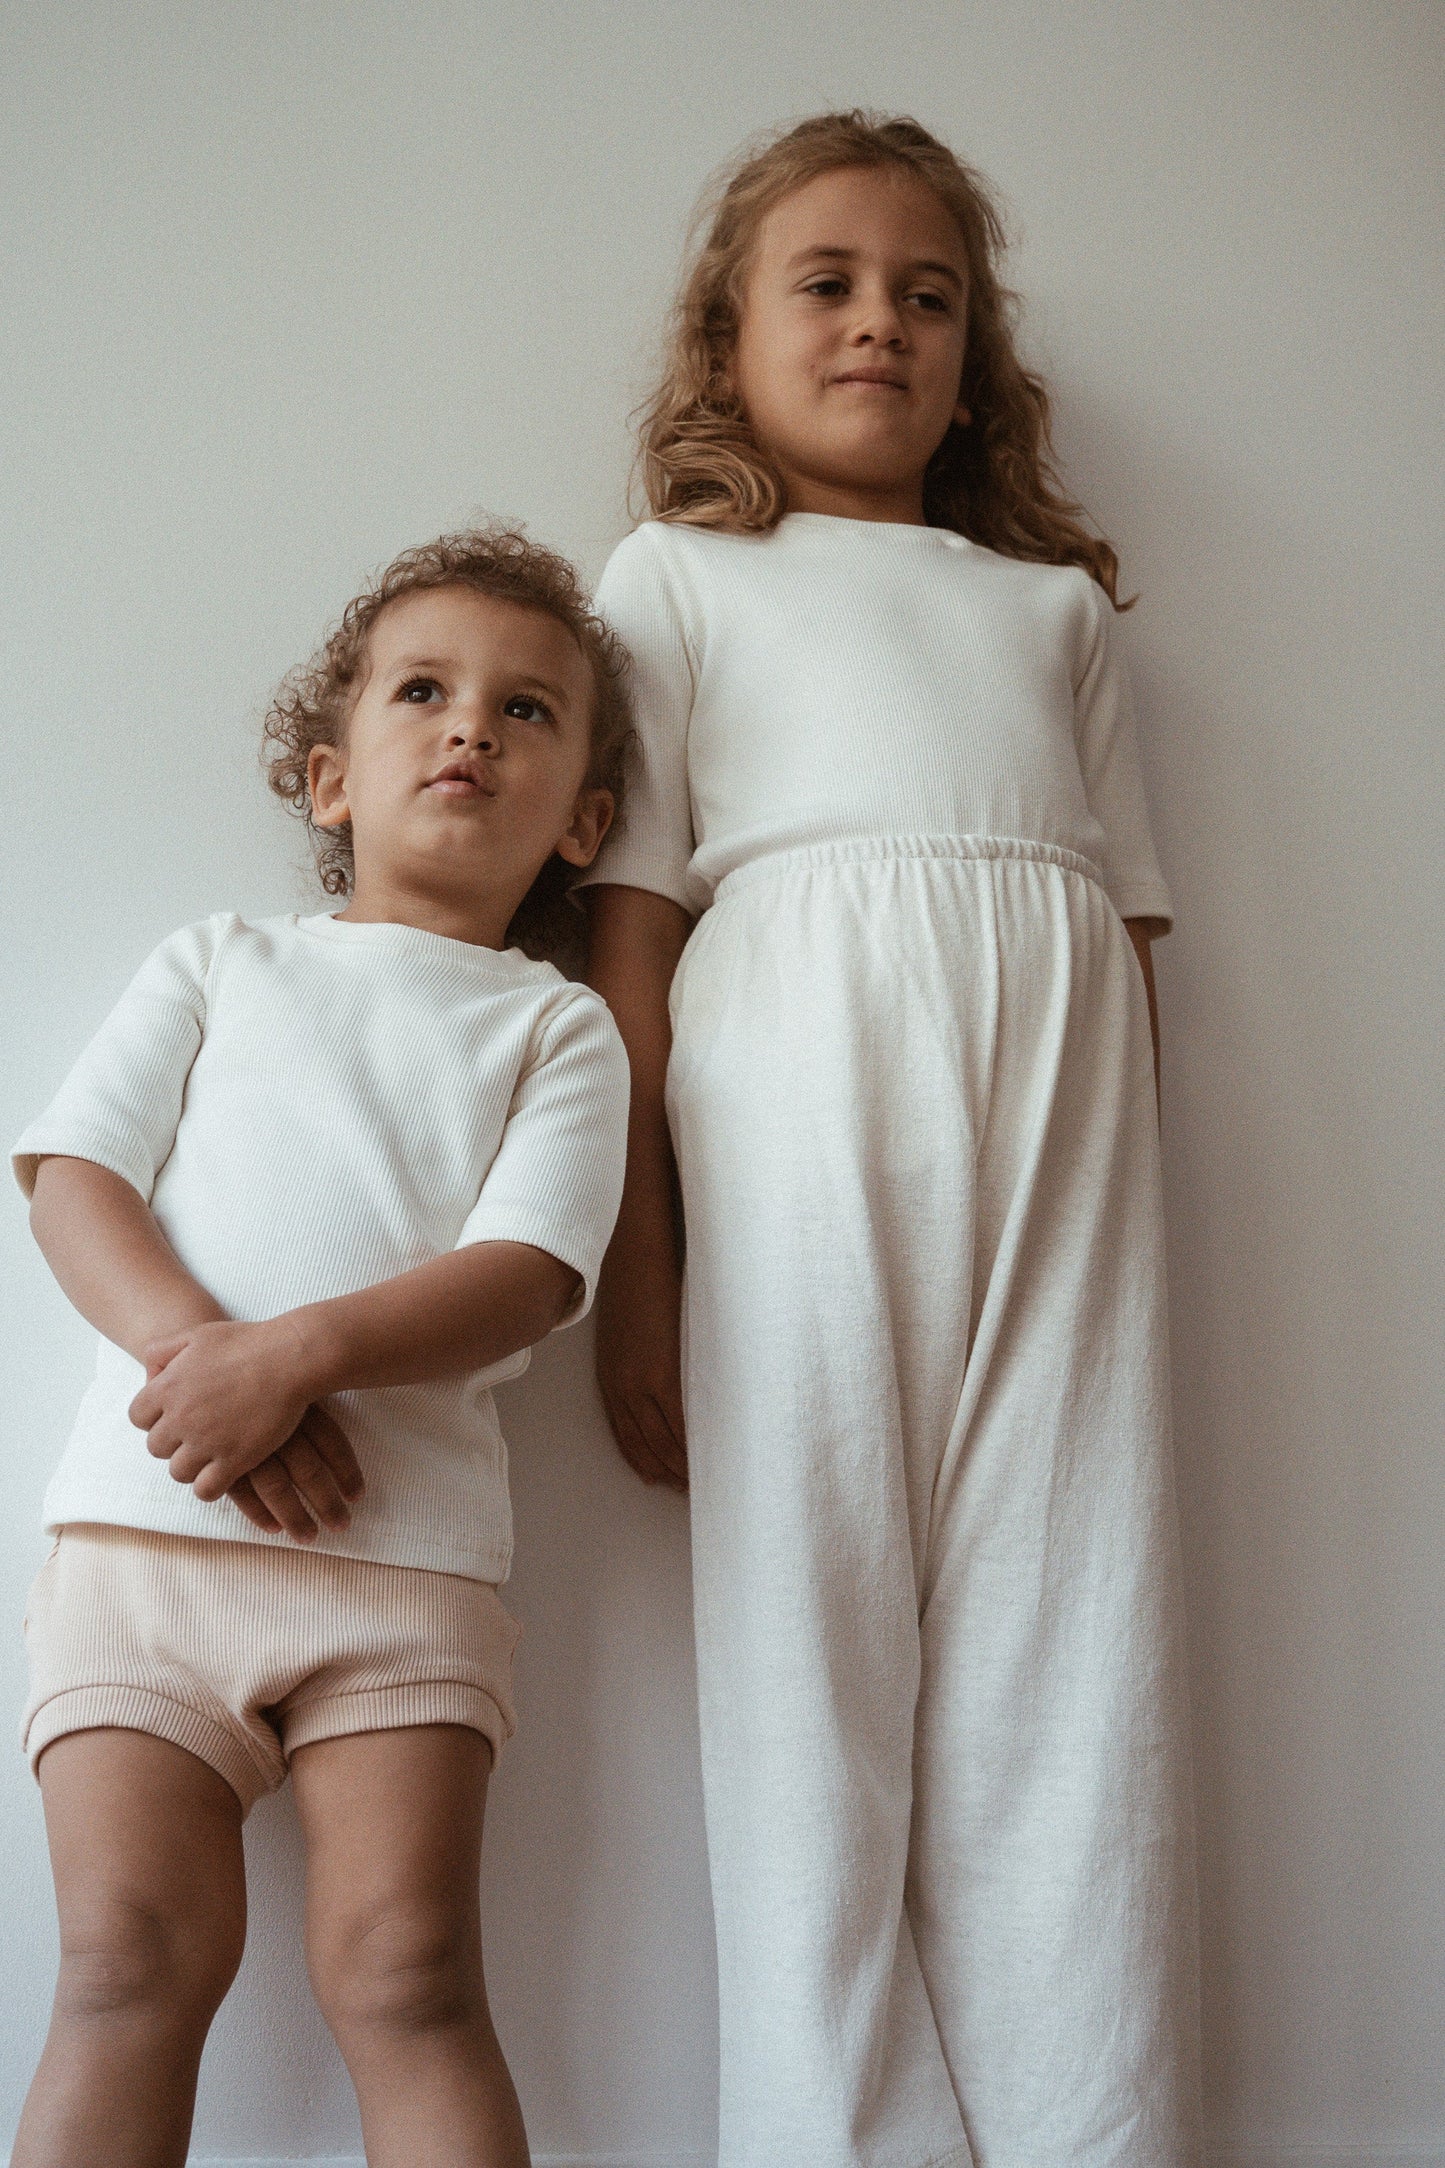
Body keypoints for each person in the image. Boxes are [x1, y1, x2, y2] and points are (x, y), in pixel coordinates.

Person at [584, 112, 1199, 2168]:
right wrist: (640, 1258)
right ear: (730, 336)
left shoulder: (1054, 613)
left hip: (1066, 1130)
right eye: (830, 285)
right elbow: (635, 933)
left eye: (928, 296)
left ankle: (1081, 2122)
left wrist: (1131, 1196)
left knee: (1074, 1634)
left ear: (977, 355)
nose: (882, 324)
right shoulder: (673, 578)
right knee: (808, 1649)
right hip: (791, 1102)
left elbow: (1128, 933)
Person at [11, 527, 632, 2168]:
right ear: (326, 777)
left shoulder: (558, 1024)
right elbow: (72, 1177)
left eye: (527, 711)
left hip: (404, 1570)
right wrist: (200, 1355)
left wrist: (296, 1357)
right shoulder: (223, 961)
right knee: (125, 1972)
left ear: (582, 819)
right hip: (149, 1540)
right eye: (422, 691)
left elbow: (526, 1272)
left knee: (410, 1979)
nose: (469, 730)